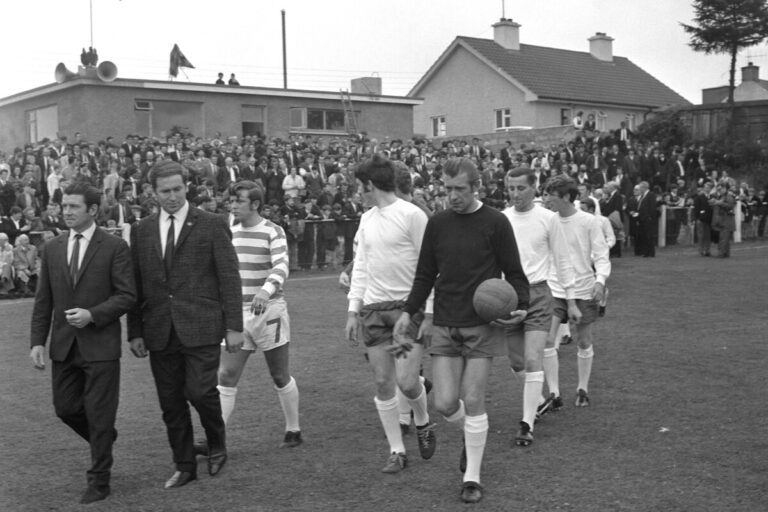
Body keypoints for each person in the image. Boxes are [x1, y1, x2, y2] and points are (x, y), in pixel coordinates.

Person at [394, 158, 529, 504]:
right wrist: (408, 312)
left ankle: (472, 476)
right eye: (447, 188)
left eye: (459, 189)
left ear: (475, 187)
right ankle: (471, 440)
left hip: (483, 327)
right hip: (444, 323)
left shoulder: (496, 223)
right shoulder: (437, 224)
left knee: (473, 399)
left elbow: (515, 274)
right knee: (444, 402)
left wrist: (521, 307)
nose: (451, 195)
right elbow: (425, 274)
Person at [127, 161, 244, 490]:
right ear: (153, 193)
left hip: (203, 325)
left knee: (200, 391)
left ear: (186, 187)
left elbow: (229, 278)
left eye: (178, 189)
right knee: (170, 402)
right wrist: (134, 330)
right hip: (159, 329)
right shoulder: (142, 229)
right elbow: (136, 283)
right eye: (165, 191)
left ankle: (216, 442)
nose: (173, 196)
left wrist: (234, 326)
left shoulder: (212, 223)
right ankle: (184, 465)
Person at [29, 182, 136, 504]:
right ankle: (104, 438)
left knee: (100, 415)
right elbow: (43, 299)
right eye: (64, 207)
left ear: (92, 210)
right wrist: (37, 341)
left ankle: (99, 481)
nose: (67, 212)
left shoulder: (114, 247)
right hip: (63, 345)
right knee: (66, 408)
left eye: (74, 207)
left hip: (101, 345)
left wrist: (93, 314)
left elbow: (127, 296)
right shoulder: (52, 248)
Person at [344, 155, 436, 474]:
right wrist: (353, 310)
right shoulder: (367, 219)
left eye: (360, 186)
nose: (358, 192)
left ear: (370, 185)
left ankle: (423, 421)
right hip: (373, 309)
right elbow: (362, 268)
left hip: (407, 310)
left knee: (408, 382)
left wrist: (429, 312)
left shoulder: (412, 215)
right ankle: (397, 450)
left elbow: (430, 267)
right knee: (384, 381)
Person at [211, 180, 302, 450]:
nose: (233, 205)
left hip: (268, 311)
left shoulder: (273, 231)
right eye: (232, 200)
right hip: (236, 316)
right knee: (226, 374)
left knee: (279, 375)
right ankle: (217, 439)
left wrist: (265, 290)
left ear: (255, 204)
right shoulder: (228, 230)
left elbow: (282, 265)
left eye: (239, 201)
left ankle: (293, 428)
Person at [502, 167, 574, 447]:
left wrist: (570, 301)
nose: (515, 194)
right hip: (507, 294)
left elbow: (563, 259)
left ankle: (526, 424)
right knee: (516, 362)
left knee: (534, 358)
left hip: (538, 294)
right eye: (511, 188)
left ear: (534, 188)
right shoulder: (502, 219)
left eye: (521, 188)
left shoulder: (548, 219)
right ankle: (541, 401)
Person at [541, 175, 610, 410]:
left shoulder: (589, 222)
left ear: (568, 197)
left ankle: (583, 388)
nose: (548, 199)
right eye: (547, 194)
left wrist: (600, 281)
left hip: (584, 289)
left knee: (583, 340)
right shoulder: (548, 220)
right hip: (553, 288)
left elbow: (601, 255)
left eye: (553, 195)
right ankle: (554, 392)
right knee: (548, 339)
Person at [710, 181, 736, 258]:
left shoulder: (728, 196)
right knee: (725, 239)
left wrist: (719, 203)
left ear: (725, 188)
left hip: (726, 220)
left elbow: (730, 206)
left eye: (721, 189)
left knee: (723, 238)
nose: (719, 190)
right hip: (722, 221)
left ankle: (721, 254)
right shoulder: (720, 196)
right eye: (718, 189)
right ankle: (726, 253)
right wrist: (713, 203)